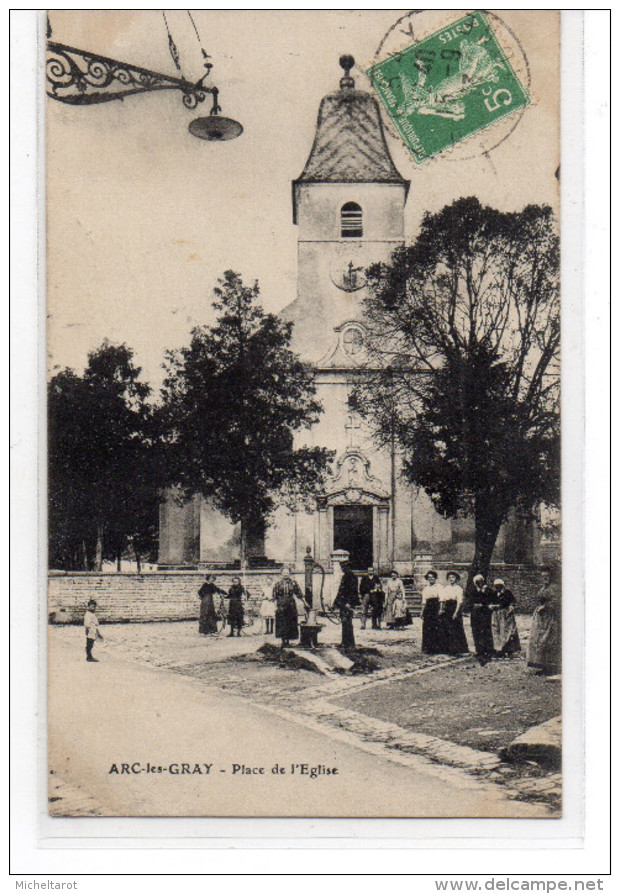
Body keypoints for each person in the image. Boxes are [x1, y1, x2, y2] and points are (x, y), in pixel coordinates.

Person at [527, 568, 561, 676]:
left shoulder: (554, 588)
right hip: (541, 618)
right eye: (543, 576)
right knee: (539, 640)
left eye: (547, 576)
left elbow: (557, 601)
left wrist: (546, 607)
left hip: (551, 617)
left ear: (551, 577)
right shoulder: (542, 588)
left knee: (549, 640)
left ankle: (552, 667)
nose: (545, 578)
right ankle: (542, 665)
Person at [466, 573, 495, 662]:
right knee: (476, 631)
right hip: (475, 614)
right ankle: (479, 650)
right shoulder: (472, 591)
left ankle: (489, 649)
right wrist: (473, 606)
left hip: (485, 613)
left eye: (481, 581)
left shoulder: (488, 590)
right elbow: (469, 602)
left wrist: (485, 603)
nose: (480, 583)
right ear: (475, 583)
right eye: (477, 582)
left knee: (486, 630)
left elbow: (490, 600)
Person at [440, 571, 469, 655]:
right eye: (449, 578)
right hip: (448, 608)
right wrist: (442, 609)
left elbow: (459, 602)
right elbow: (443, 599)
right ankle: (448, 648)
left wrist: (456, 612)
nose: (451, 579)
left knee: (456, 628)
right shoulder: (446, 588)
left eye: (453, 577)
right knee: (447, 628)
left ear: (456, 579)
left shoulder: (458, 588)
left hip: (455, 607)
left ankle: (458, 648)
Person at [490, 578, 521, 656]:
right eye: (496, 586)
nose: (498, 588)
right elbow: (489, 602)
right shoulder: (494, 593)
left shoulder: (507, 593)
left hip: (505, 613)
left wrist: (511, 607)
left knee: (507, 631)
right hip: (496, 614)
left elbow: (512, 602)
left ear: (503, 586)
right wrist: (491, 606)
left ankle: (508, 649)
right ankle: (499, 649)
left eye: (499, 586)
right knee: (496, 631)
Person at [272, 567, 302, 648]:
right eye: (284, 573)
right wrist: (275, 605)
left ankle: (288, 640)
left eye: (287, 572)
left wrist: (304, 602)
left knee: (290, 622)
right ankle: (283, 641)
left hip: (291, 603)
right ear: (281, 574)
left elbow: (299, 593)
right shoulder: (277, 584)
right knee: (282, 622)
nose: (285, 574)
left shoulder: (293, 583)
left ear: (290, 574)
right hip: (281, 603)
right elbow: (274, 596)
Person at [333, 561, 360, 649]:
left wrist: (349, 603)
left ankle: (350, 643)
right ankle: (345, 642)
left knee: (348, 623)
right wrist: (335, 603)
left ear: (348, 568)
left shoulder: (352, 577)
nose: (343, 569)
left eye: (344, 568)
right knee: (344, 622)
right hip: (343, 603)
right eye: (342, 568)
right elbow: (340, 591)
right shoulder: (345, 577)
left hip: (347, 604)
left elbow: (353, 592)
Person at [421, 570, 445, 653]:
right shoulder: (425, 589)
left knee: (436, 627)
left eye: (432, 577)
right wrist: (422, 612)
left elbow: (441, 599)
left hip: (436, 606)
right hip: (428, 608)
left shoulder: (439, 587)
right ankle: (428, 648)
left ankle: (437, 648)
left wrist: (441, 609)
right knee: (427, 627)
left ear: (435, 578)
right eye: (429, 577)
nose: (431, 579)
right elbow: (424, 601)